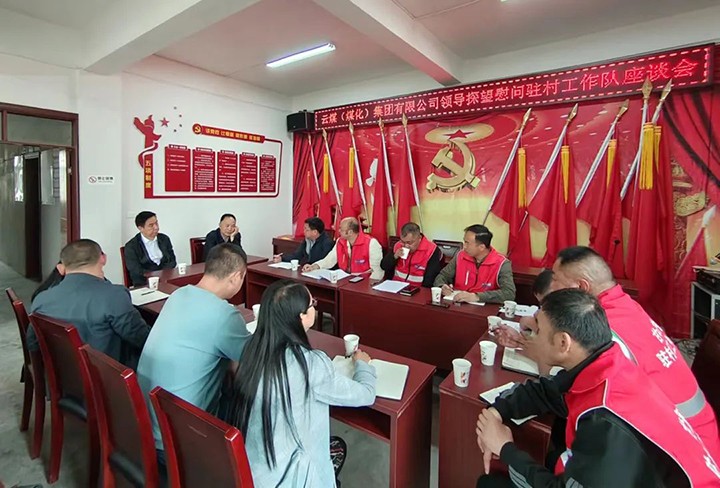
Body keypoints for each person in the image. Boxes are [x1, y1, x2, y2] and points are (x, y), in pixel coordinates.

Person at [475, 289, 720, 488]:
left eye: (537, 330)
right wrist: (497, 411)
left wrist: (505, 448)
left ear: (563, 342)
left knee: (491, 484)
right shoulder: (609, 362)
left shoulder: (604, 419)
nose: (531, 336)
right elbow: (550, 391)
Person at [501, 246, 720, 458]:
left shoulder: (603, 331)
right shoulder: (623, 307)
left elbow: (569, 392)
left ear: (581, 287)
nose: (552, 285)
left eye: (556, 279)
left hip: (674, 454)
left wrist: (536, 353)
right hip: (695, 436)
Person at [229, 279, 376, 487]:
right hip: (291, 478)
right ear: (302, 316)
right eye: (312, 304)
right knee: (335, 447)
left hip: (254, 471)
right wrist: (363, 365)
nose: (314, 307)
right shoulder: (309, 364)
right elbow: (366, 394)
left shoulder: (252, 349)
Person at [137, 243, 252, 459]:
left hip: (145, 423)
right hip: (180, 439)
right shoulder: (224, 314)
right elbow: (255, 358)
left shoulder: (178, 295)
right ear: (236, 276)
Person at [29, 239, 150, 367]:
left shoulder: (41, 299)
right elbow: (142, 338)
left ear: (61, 267)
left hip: (60, 372)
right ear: (103, 259)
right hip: (107, 374)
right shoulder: (114, 295)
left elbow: (32, 343)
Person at [433, 224, 515, 303]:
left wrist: (477, 297)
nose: (464, 246)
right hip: (457, 304)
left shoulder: (502, 263)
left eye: (467, 243)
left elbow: (509, 293)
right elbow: (442, 275)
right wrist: (442, 286)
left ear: (481, 247)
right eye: (464, 241)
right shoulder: (461, 256)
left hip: (484, 308)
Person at [303, 217, 383, 280]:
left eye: (341, 229)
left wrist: (369, 287)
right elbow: (329, 260)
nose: (339, 231)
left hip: (363, 282)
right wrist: (313, 266)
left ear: (350, 232)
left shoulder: (371, 243)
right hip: (344, 280)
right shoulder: (340, 241)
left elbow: (377, 271)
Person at [380, 222, 443, 287]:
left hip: (418, 289)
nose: (406, 246)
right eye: (403, 242)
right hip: (395, 286)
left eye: (409, 243)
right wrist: (394, 256)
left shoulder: (431, 250)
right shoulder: (398, 245)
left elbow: (430, 279)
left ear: (419, 238)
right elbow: (383, 266)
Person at [124, 211, 176, 286]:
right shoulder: (131, 246)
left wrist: (163, 275)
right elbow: (136, 270)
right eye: (151, 225)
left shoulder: (164, 239)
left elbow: (172, 261)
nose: (156, 227)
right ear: (141, 228)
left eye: (156, 223)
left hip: (166, 280)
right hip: (144, 283)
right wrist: (156, 276)